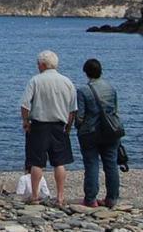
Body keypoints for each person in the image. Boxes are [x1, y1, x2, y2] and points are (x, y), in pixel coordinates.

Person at [19, 50, 77, 206]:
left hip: (39, 125)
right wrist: (69, 127)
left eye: (38, 64)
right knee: (59, 162)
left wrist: (26, 122)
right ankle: (60, 196)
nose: (37, 66)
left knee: (36, 162)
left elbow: (25, 104)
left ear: (43, 65)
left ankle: (35, 195)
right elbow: (72, 110)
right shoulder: (67, 82)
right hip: (59, 124)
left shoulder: (35, 81)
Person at [75, 58, 121, 207]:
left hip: (90, 132)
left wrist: (78, 127)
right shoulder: (111, 88)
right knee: (111, 165)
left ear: (86, 73)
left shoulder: (83, 90)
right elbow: (114, 110)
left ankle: (90, 199)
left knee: (91, 164)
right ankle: (112, 198)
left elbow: (80, 115)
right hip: (111, 131)